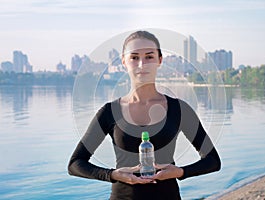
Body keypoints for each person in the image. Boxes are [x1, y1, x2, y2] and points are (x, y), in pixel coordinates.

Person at [68, 30, 221, 200]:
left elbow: (213, 161)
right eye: (134, 57)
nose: (142, 64)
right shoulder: (109, 112)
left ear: (159, 60)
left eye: (149, 56)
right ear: (124, 62)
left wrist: (179, 172)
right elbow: (75, 164)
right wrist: (113, 175)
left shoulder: (179, 109)